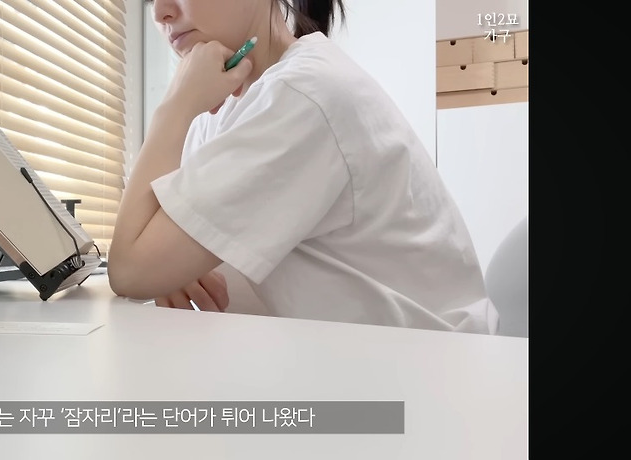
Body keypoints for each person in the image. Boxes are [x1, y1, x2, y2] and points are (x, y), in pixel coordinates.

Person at [107, 0, 499, 334]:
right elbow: (150, 252)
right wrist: (170, 264)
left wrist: (172, 107)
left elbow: (129, 270)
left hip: (429, 372)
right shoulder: (219, 113)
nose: (160, 12)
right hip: (342, 362)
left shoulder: (303, 93)